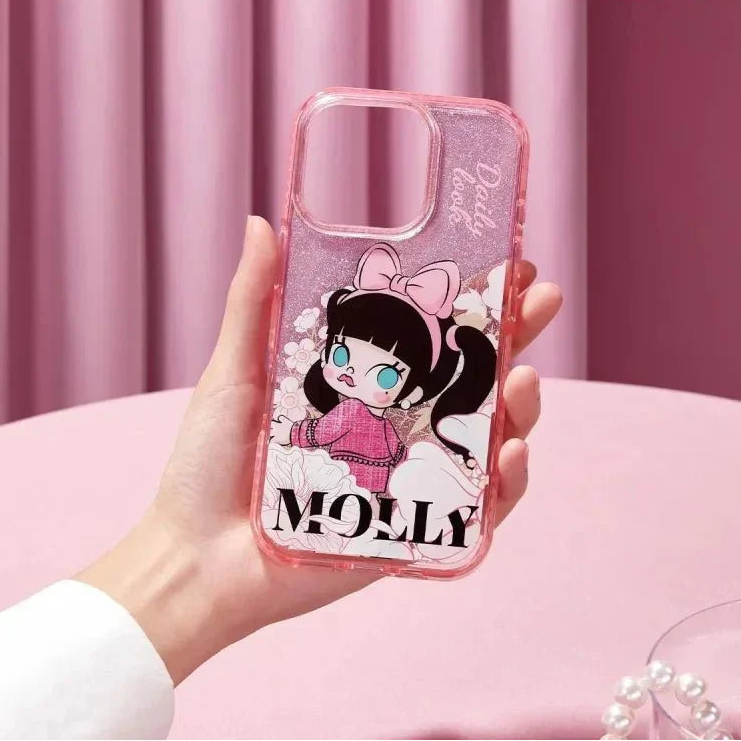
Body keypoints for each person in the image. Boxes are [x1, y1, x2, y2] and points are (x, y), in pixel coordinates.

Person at [0, 217, 562, 739]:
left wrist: (292, 436)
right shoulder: (366, 423)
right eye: (341, 354)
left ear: (410, 389)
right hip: (356, 493)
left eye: (385, 374)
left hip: (348, 491)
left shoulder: (353, 418)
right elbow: (361, 446)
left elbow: (319, 435)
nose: (350, 374)